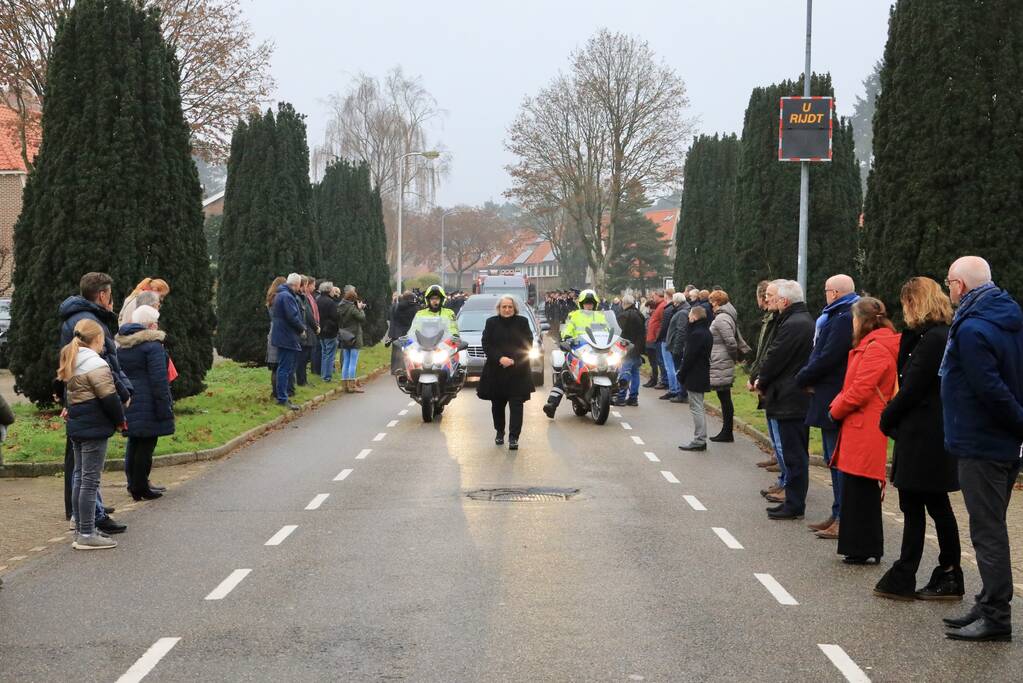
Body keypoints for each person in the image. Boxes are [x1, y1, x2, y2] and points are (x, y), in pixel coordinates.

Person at [940, 256, 1023, 642]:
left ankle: (996, 616)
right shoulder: (1008, 316)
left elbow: (989, 388)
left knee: (987, 532)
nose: (947, 290)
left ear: (959, 285)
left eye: (949, 283)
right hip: (1002, 442)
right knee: (990, 527)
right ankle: (987, 600)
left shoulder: (972, 328)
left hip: (982, 442)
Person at [874, 277, 962, 601]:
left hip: (925, 434)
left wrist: (887, 417)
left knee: (922, 504)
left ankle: (915, 571)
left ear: (915, 303)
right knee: (930, 504)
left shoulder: (933, 338)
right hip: (924, 432)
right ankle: (941, 571)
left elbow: (913, 387)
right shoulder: (930, 336)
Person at [58, 272, 131, 535]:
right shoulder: (90, 324)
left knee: (80, 471)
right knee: (88, 475)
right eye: (110, 295)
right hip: (91, 405)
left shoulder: (75, 318)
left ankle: (84, 515)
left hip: (78, 405)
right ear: (102, 295)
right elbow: (107, 367)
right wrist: (123, 396)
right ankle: (89, 522)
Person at [828, 297, 899, 564]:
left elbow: (860, 390)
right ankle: (859, 544)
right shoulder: (875, 345)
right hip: (861, 424)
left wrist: (835, 409)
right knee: (858, 488)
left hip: (865, 425)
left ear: (862, 320)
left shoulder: (876, 349)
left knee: (862, 488)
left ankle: (863, 546)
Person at [795, 274, 859, 539]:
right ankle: (837, 512)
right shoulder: (839, 314)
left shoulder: (844, 317)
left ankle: (844, 517)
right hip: (827, 392)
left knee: (837, 458)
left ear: (834, 292)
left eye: (825, 290)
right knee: (832, 459)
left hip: (833, 393)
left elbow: (828, 355)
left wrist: (803, 377)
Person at [755, 280, 814, 520]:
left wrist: (762, 380)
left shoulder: (794, 324)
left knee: (794, 455)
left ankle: (794, 503)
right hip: (790, 394)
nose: (772, 302)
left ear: (786, 301)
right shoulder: (796, 321)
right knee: (792, 453)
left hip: (790, 397)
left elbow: (776, 356)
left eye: (776, 298)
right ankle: (792, 499)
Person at [116, 305, 174, 501]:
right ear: (149, 325)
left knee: (134, 442)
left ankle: (133, 483)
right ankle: (141, 486)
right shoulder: (153, 346)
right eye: (155, 322)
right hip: (148, 401)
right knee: (147, 444)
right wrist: (164, 406)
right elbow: (159, 379)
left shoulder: (123, 345)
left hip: (130, 399)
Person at [478, 296, 534, 449]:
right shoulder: (491, 323)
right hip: (496, 371)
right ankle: (499, 432)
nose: (507, 309)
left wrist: (514, 359)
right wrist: (500, 358)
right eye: (504, 307)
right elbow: (486, 344)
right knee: (497, 405)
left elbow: (528, 342)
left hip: (518, 371)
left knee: (516, 406)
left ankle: (514, 437)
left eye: (510, 307)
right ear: (499, 308)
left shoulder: (522, 322)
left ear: (514, 308)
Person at [543, 289, 608, 418]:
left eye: (591, 303)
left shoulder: (600, 316)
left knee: (611, 364)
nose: (588, 305)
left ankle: (615, 390)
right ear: (581, 304)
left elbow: (608, 330)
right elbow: (568, 328)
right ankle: (552, 404)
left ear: (595, 304)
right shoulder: (575, 315)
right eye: (586, 303)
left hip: (597, 350)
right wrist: (565, 338)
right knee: (565, 372)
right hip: (578, 349)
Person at [708, 290, 749, 443]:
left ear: (717, 302)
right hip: (722, 360)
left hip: (721, 361)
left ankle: (727, 432)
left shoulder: (721, 318)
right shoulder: (726, 316)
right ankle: (726, 431)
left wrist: (733, 357)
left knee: (724, 397)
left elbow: (730, 342)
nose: (710, 304)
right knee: (724, 397)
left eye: (712, 301)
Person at [678, 306, 713, 451]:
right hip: (701, 372)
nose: (688, 319)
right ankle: (700, 438)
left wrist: (682, 373)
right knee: (698, 406)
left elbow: (689, 357)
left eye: (690, 316)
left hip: (695, 374)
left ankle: (699, 439)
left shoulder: (696, 334)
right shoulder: (706, 332)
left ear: (694, 317)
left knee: (696, 407)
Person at [271, 273, 305, 410]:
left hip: (282, 335)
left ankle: (282, 396)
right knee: (285, 368)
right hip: (287, 336)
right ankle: (282, 398)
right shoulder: (287, 296)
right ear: (296, 284)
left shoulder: (281, 294)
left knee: (283, 368)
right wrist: (302, 329)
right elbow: (293, 316)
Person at [614, 294, 646, 407]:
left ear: (624, 303)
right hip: (638, 347)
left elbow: (619, 332)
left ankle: (621, 397)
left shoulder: (624, 316)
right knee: (635, 373)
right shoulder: (639, 314)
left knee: (625, 372)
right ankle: (633, 397)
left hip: (627, 348)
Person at [265, 277, 292, 400]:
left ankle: (275, 392)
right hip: (280, 333)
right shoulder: (280, 299)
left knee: (275, 367)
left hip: (273, 333)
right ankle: (278, 393)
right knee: (279, 367)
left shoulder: (271, 299)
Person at [338, 285, 368, 393]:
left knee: (346, 360)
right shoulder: (352, 308)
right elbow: (362, 318)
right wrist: (360, 309)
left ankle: (344, 385)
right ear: (353, 299)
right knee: (353, 362)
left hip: (344, 335)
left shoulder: (340, 306)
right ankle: (352, 386)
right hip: (354, 336)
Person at [665, 291, 692, 404]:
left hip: (678, 348)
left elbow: (681, 331)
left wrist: (676, 349)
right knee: (679, 370)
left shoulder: (682, 313)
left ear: (676, 302)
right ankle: (682, 392)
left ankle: (682, 394)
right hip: (678, 346)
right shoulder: (684, 310)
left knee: (679, 370)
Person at [657, 289, 682, 401]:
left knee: (669, 366)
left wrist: (658, 338)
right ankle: (677, 388)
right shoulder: (678, 309)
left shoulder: (668, 310)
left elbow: (665, 327)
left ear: (667, 297)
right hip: (674, 340)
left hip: (667, 340)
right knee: (675, 366)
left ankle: (673, 389)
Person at [388, 292, 420, 375]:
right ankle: (405, 369)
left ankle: (394, 369)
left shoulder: (396, 306)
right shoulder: (414, 308)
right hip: (407, 333)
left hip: (396, 333)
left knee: (395, 352)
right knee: (407, 352)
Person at [296, 276, 319, 385]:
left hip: (307, 330)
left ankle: (303, 380)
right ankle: (301, 381)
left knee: (304, 359)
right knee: (303, 359)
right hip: (306, 331)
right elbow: (309, 315)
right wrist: (316, 327)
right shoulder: (302, 298)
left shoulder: (303, 297)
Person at [316, 281, 341, 382]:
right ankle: (327, 377)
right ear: (328, 290)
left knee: (324, 353)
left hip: (320, 330)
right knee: (330, 354)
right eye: (331, 290)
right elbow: (335, 317)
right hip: (330, 331)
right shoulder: (330, 302)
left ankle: (323, 375)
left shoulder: (317, 300)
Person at [643, 291, 664, 388]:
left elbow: (660, 325)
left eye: (654, 296)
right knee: (653, 361)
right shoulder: (651, 315)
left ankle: (656, 379)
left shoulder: (661, 307)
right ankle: (654, 378)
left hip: (654, 339)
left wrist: (656, 337)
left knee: (656, 361)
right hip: (650, 338)